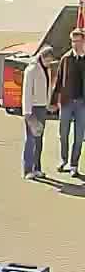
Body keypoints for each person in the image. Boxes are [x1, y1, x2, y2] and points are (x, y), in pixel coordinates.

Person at [25, 45, 59, 179]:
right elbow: (27, 93)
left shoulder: (45, 69)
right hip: (32, 108)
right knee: (31, 140)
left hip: (41, 107)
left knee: (39, 140)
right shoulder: (32, 69)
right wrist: (28, 113)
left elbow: (46, 89)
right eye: (48, 61)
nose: (49, 64)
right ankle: (28, 169)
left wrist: (48, 105)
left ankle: (37, 168)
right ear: (43, 57)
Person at [56, 29, 85, 177]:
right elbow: (58, 81)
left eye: (78, 41)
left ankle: (74, 164)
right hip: (67, 102)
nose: (76, 44)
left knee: (79, 136)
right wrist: (54, 101)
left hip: (82, 104)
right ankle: (64, 160)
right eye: (73, 42)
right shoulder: (66, 59)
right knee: (63, 133)